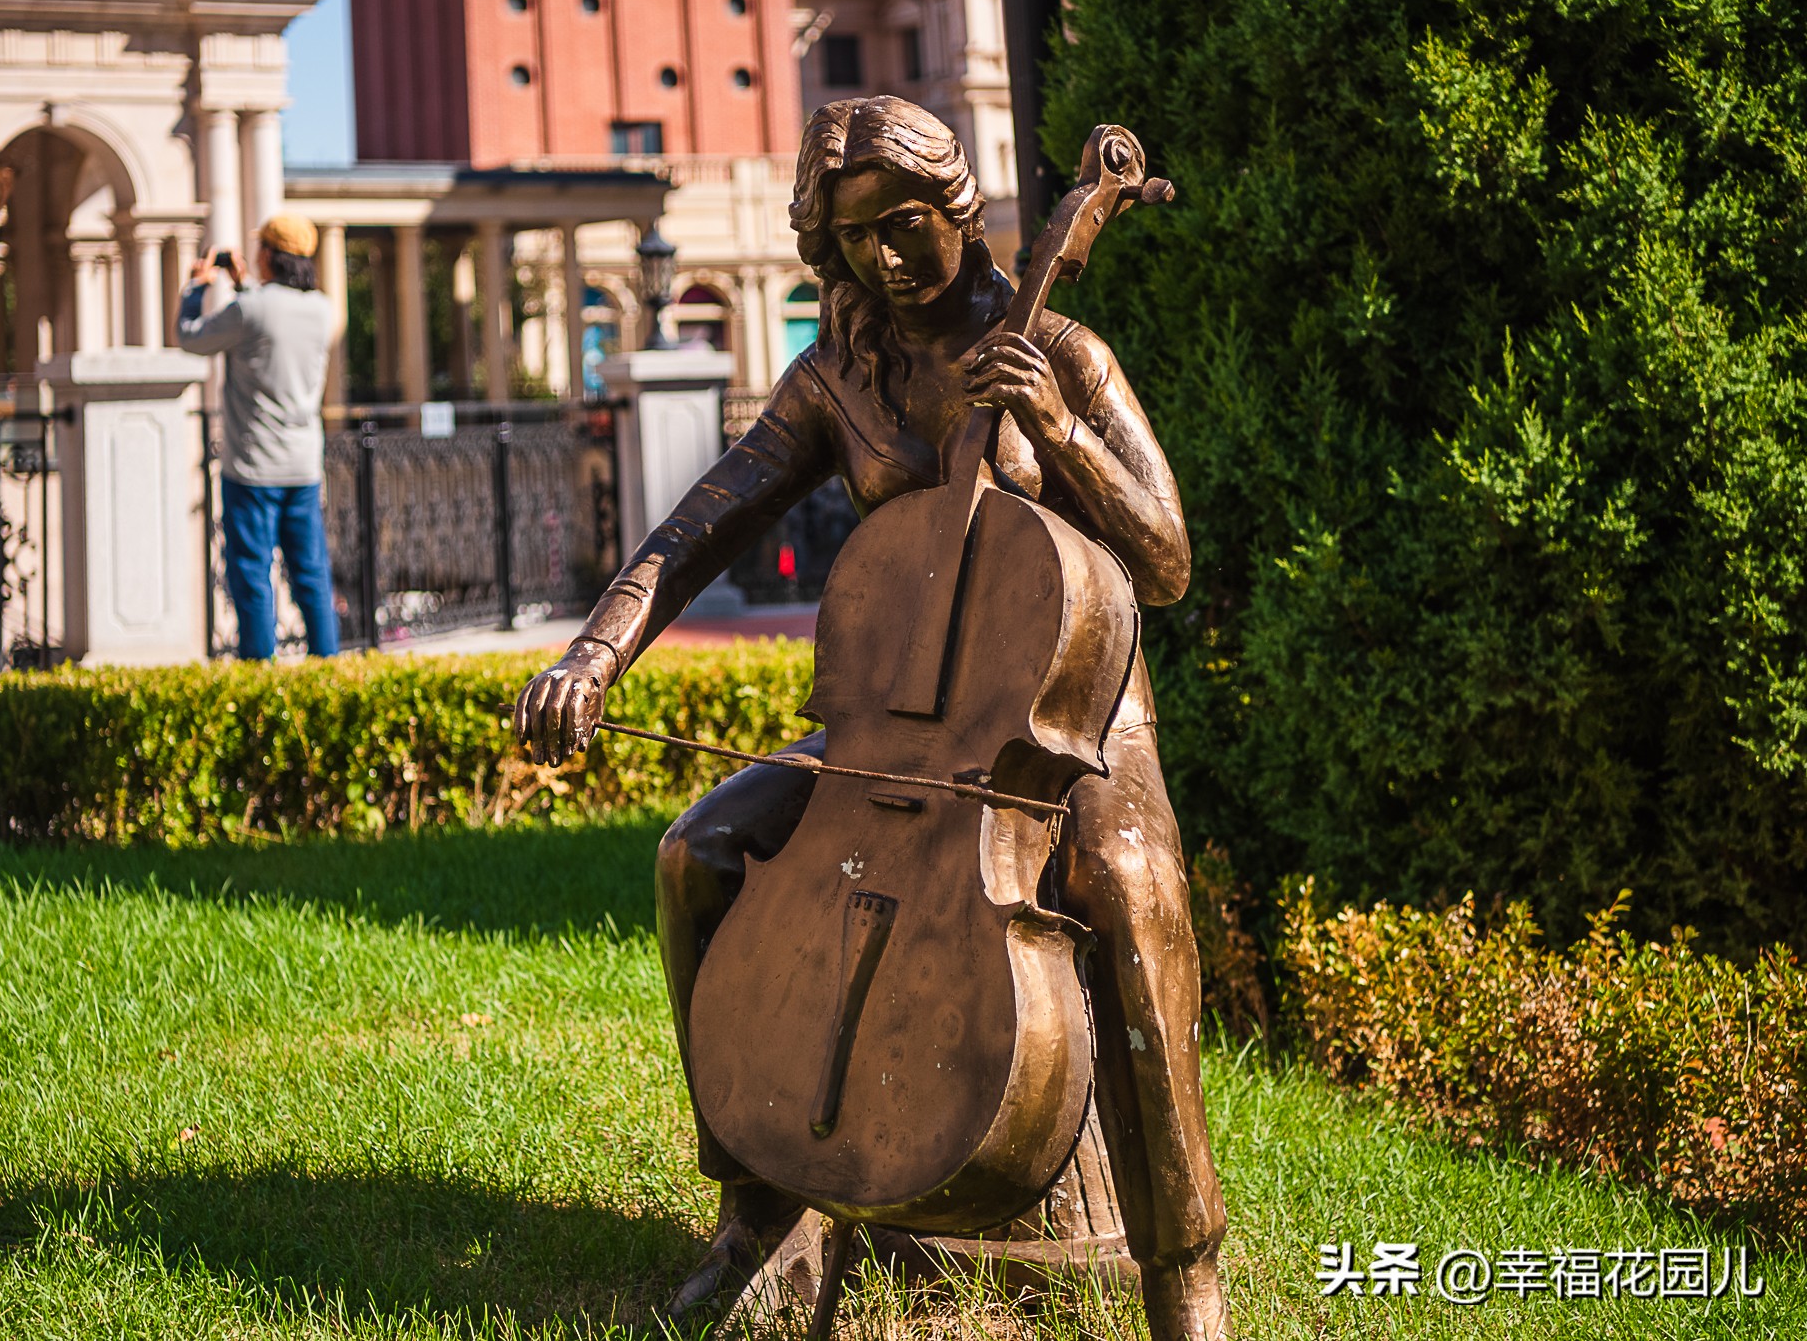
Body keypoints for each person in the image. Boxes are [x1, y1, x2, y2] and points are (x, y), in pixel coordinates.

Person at [514, 97, 1230, 1340]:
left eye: (906, 226)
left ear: (955, 209)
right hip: (901, 731)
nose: (887, 260)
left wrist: (1056, 433)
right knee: (700, 853)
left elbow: (1165, 559)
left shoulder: (1059, 347)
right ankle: (758, 1205)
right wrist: (596, 648)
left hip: (1080, 726)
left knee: (1127, 882)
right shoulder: (837, 378)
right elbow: (707, 518)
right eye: (855, 241)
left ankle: (1185, 1269)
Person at [178, 213, 340, 661]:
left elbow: (191, 338)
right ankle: (330, 668)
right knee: (311, 576)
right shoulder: (322, 308)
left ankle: (259, 677)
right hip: (303, 465)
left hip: (252, 469)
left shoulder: (250, 308)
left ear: (268, 254)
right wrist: (246, 286)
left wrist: (197, 286)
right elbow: (271, 325)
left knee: (251, 576)